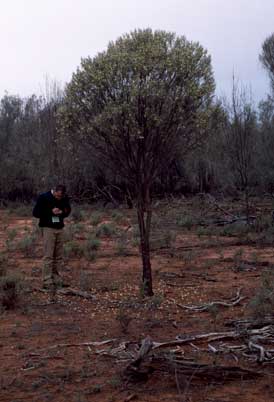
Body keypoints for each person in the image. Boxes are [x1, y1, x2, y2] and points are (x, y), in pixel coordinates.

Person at [33, 185, 71, 289]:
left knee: (58, 256)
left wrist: (62, 212)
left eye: (61, 197)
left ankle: (57, 279)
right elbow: (36, 213)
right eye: (58, 196)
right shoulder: (43, 197)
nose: (59, 198)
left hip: (59, 227)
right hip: (48, 228)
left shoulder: (64, 198)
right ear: (54, 191)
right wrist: (50, 212)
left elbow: (68, 210)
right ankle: (47, 281)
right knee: (48, 255)